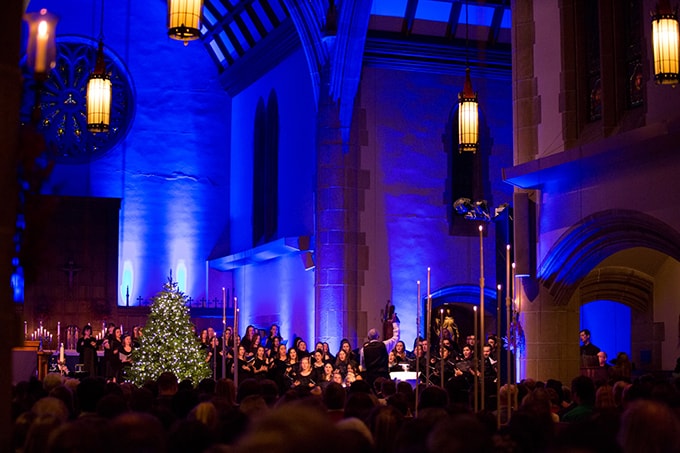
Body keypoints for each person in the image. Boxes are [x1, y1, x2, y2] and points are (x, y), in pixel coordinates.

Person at [360, 311, 400, 389]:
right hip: (384, 378)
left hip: (371, 379)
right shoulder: (384, 345)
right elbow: (396, 337)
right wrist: (396, 324)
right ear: (378, 337)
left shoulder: (363, 350)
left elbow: (363, 366)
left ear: (368, 338)